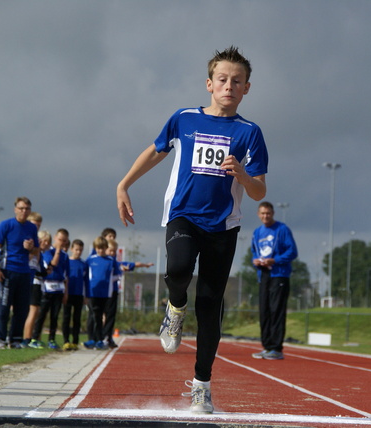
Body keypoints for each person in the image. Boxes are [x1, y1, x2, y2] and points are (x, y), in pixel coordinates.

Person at [116, 46, 268, 413]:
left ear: (247, 88)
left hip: (223, 225)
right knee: (178, 270)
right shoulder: (184, 118)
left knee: (211, 306)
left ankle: (202, 383)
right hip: (183, 214)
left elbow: (260, 189)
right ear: (209, 84)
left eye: (237, 81)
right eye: (222, 79)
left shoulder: (250, 132)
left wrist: (244, 177)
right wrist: (124, 185)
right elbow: (156, 151)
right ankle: (175, 306)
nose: (228, 86)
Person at [250, 201, 298, 360]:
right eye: (263, 213)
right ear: (258, 214)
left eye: (268, 213)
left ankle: (276, 348)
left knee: (276, 310)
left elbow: (292, 251)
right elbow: (254, 252)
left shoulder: (282, 229)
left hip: (279, 275)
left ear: (273, 213)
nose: (265, 216)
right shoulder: (257, 232)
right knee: (264, 311)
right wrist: (256, 261)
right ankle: (266, 345)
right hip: (263, 275)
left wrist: (275, 260)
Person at [0, 197, 39, 349]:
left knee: (22, 308)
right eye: (21, 208)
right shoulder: (6, 225)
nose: (24, 211)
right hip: (7, 270)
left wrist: (31, 248)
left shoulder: (31, 228)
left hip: (24, 272)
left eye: (27, 209)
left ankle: (16, 339)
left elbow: (37, 250)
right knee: (3, 307)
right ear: (15, 209)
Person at [103, 238, 153, 348]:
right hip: (100, 293)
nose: (112, 253)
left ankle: (107, 337)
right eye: (110, 250)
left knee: (110, 315)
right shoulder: (99, 261)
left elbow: (134, 264)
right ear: (105, 250)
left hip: (113, 292)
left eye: (114, 251)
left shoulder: (117, 264)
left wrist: (146, 265)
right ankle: (98, 337)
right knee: (101, 315)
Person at [30, 229, 69, 350]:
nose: (61, 242)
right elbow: (52, 264)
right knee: (41, 315)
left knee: (55, 316)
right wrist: (57, 250)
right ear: (55, 238)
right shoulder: (47, 252)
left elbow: (67, 275)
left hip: (59, 288)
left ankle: (51, 339)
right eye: (59, 239)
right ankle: (35, 337)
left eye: (64, 241)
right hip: (47, 287)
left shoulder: (65, 256)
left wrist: (66, 292)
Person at [84, 236, 121, 351]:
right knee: (95, 316)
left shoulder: (110, 260)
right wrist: (85, 293)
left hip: (106, 293)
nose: (100, 250)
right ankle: (93, 339)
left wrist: (108, 280)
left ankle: (100, 339)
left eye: (102, 248)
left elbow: (118, 275)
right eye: (98, 248)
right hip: (93, 292)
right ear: (95, 248)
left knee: (102, 316)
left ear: (106, 248)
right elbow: (85, 276)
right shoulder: (90, 260)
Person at [22, 212, 45, 347]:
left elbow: (38, 259)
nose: (36, 227)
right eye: (35, 224)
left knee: (35, 311)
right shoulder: (27, 237)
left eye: (39, 225)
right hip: (29, 276)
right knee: (32, 310)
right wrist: (36, 250)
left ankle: (32, 338)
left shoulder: (36, 239)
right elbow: (28, 256)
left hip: (35, 275)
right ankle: (27, 338)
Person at [62, 239, 86, 351]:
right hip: (68, 293)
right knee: (66, 317)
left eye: (80, 250)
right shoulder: (67, 262)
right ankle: (66, 341)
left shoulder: (83, 264)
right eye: (76, 249)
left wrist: (86, 295)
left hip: (78, 294)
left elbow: (86, 281)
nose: (78, 252)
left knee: (77, 318)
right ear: (72, 249)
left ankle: (75, 341)